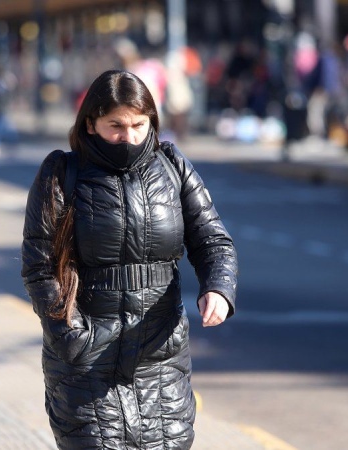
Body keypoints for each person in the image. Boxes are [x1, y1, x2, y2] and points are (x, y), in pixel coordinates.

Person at [21, 69, 238, 449]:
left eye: (139, 124)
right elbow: (39, 266)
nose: (130, 136)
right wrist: (71, 337)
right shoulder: (61, 173)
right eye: (115, 125)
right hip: (86, 360)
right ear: (91, 123)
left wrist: (218, 288)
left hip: (160, 357)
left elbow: (212, 241)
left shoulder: (172, 166)